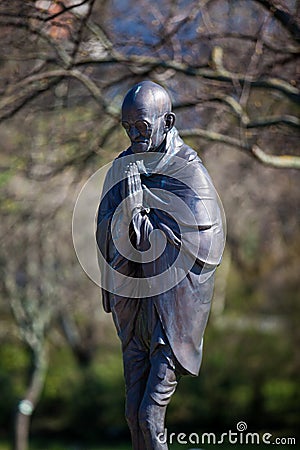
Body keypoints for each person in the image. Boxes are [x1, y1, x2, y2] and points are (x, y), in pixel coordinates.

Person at [96, 80, 225, 450]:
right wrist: (125, 218)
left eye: (143, 127)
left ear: (167, 122)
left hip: (171, 313)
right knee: (132, 412)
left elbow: (202, 243)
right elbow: (104, 227)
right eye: (127, 128)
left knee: (151, 415)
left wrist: (139, 217)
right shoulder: (122, 168)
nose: (134, 135)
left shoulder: (190, 173)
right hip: (135, 307)